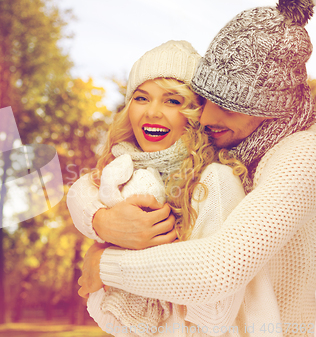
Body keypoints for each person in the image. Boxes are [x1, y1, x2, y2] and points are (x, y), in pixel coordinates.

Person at [75, 0, 316, 335]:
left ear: (270, 109)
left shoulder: (303, 156)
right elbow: (89, 183)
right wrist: (98, 220)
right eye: (205, 101)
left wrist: (104, 264)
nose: (206, 118)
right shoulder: (234, 145)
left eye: (229, 108)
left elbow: (218, 268)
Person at [67, 40, 251, 336]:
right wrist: (101, 223)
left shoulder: (215, 181)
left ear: (195, 112)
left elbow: (216, 314)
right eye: (141, 98)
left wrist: (104, 260)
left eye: (172, 101)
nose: (152, 112)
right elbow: (80, 190)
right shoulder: (124, 170)